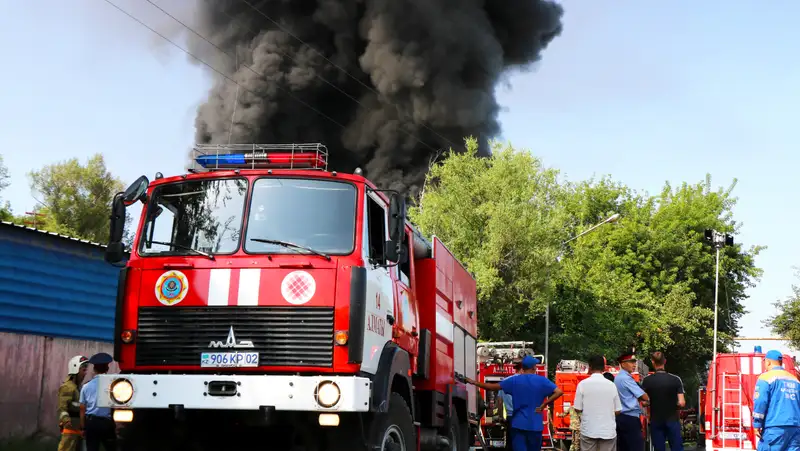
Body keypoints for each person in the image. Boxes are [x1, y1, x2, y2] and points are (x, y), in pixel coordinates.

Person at [466, 355, 564, 451]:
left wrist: (474, 382)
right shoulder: (542, 381)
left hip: (518, 424)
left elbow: (492, 387)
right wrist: (544, 404)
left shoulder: (514, 381)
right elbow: (559, 392)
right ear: (534, 367)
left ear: (523, 368)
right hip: (535, 426)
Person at [753, 350, 800, 451]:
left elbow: (760, 402)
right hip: (795, 428)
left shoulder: (765, 377)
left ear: (768, 362)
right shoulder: (794, 379)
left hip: (774, 428)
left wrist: (757, 424)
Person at [573, 355, 622, 451]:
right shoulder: (611, 385)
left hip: (588, 430)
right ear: (604, 368)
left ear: (589, 367)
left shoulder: (582, 384)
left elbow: (577, 408)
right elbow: (618, 410)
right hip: (608, 431)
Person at [641, 351, 685, 451]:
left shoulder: (647, 381)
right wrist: (674, 404)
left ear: (652, 362)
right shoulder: (676, 379)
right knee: (677, 447)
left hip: (656, 420)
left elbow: (644, 402)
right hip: (672, 419)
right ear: (664, 361)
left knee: (658, 448)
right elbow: (682, 403)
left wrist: (651, 402)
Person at [80, 352, 117, 451]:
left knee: (92, 448)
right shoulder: (113, 386)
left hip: (91, 424)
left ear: (94, 369)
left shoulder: (86, 386)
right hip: (106, 423)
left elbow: (82, 410)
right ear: (107, 368)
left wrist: (83, 428)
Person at [614, 352, 650, 451]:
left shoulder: (619, 377)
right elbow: (644, 396)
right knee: (636, 447)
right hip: (629, 418)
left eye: (634, 362)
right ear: (622, 364)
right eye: (630, 362)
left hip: (621, 418)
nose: (634, 365)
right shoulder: (626, 378)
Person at [58, 355, 89, 451]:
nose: (85, 373)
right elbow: (62, 408)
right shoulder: (68, 387)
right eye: (83, 370)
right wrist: (66, 421)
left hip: (79, 430)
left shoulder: (78, 387)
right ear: (75, 369)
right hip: (70, 429)